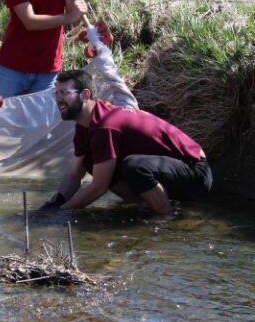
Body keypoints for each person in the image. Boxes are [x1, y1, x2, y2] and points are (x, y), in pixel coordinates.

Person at [41, 69, 213, 216]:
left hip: (195, 172)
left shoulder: (104, 125)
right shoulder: (84, 124)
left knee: (134, 166)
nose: (58, 99)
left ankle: (166, 217)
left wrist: (62, 212)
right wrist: (53, 205)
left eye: (64, 92)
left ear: (85, 95)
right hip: (171, 170)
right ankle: (141, 202)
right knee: (90, 161)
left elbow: (99, 187)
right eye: (56, 92)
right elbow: (74, 175)